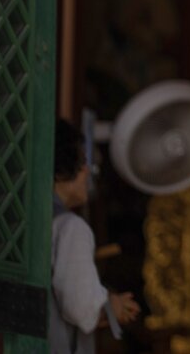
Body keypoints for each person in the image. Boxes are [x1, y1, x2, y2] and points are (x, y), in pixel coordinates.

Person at [50, 119, 140, 354]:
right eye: (81, 163)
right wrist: (111, 306)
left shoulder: (26, 218)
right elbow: (80, 307)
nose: (87, 171)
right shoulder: (71, 227)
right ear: (60, 172)